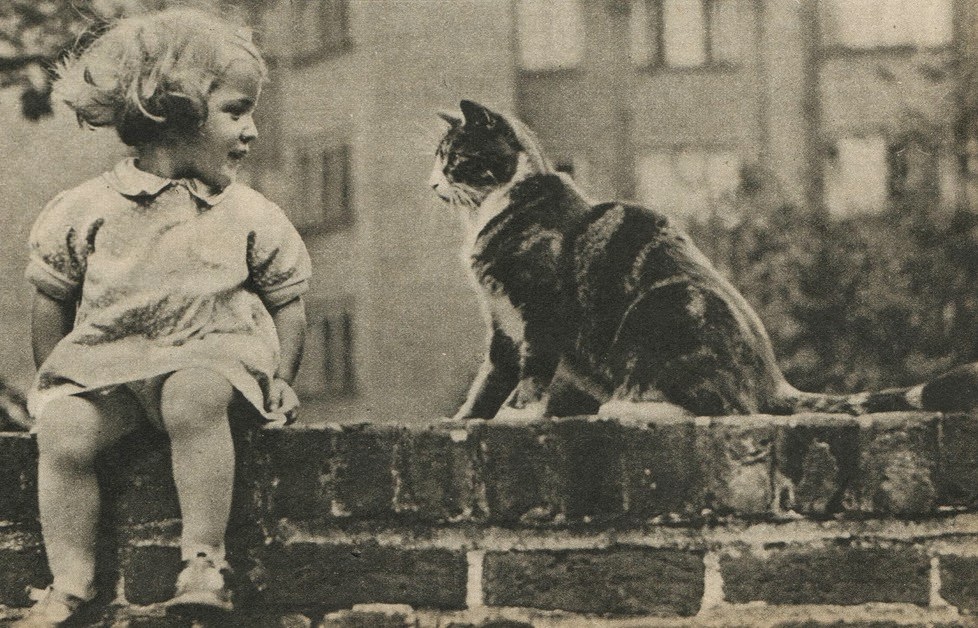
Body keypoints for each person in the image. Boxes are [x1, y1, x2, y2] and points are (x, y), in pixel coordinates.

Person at [17, 7, 310, 626]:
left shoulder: (246, 212)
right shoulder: (86, 207)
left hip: (208, 358)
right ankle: (69, 581)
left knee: (191, 394)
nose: (252, 131)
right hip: (115, 370)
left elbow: (288, 294)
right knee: (64, 429)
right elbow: (51, 293)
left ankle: (203, 561)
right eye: (236, 110)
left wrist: (282, 375)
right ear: (174, 110)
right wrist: (59, 381)